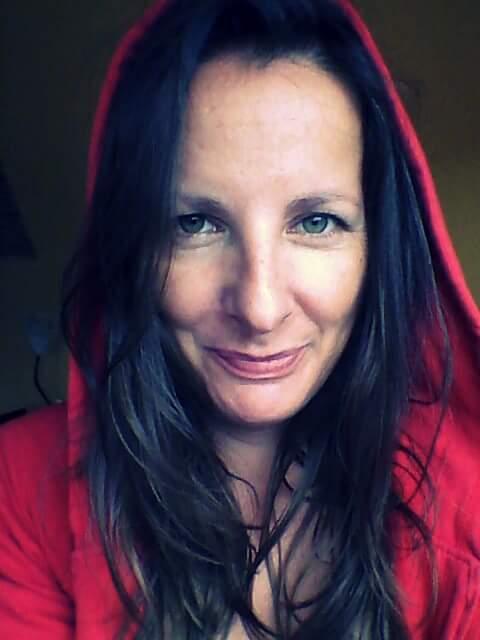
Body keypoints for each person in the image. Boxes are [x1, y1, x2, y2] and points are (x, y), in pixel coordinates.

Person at [0, 0, 479, 638]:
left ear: (377, 250)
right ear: (132, 249)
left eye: (316, 222)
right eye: (195, 224)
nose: (259, 308)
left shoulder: (467, 510)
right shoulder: (19, 485)